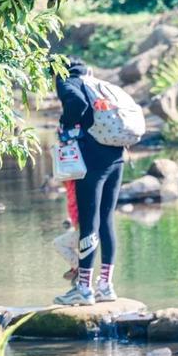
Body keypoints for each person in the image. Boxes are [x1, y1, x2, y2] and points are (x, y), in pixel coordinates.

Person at [54, 59, 124, 305]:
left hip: (92, 160)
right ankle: (106, 287)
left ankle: (84, 289)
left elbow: (76, 103)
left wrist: (65, 125)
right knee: (106, 220)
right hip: (117, 156)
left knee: (88, 223)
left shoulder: (67, 80)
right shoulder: (97, 84)